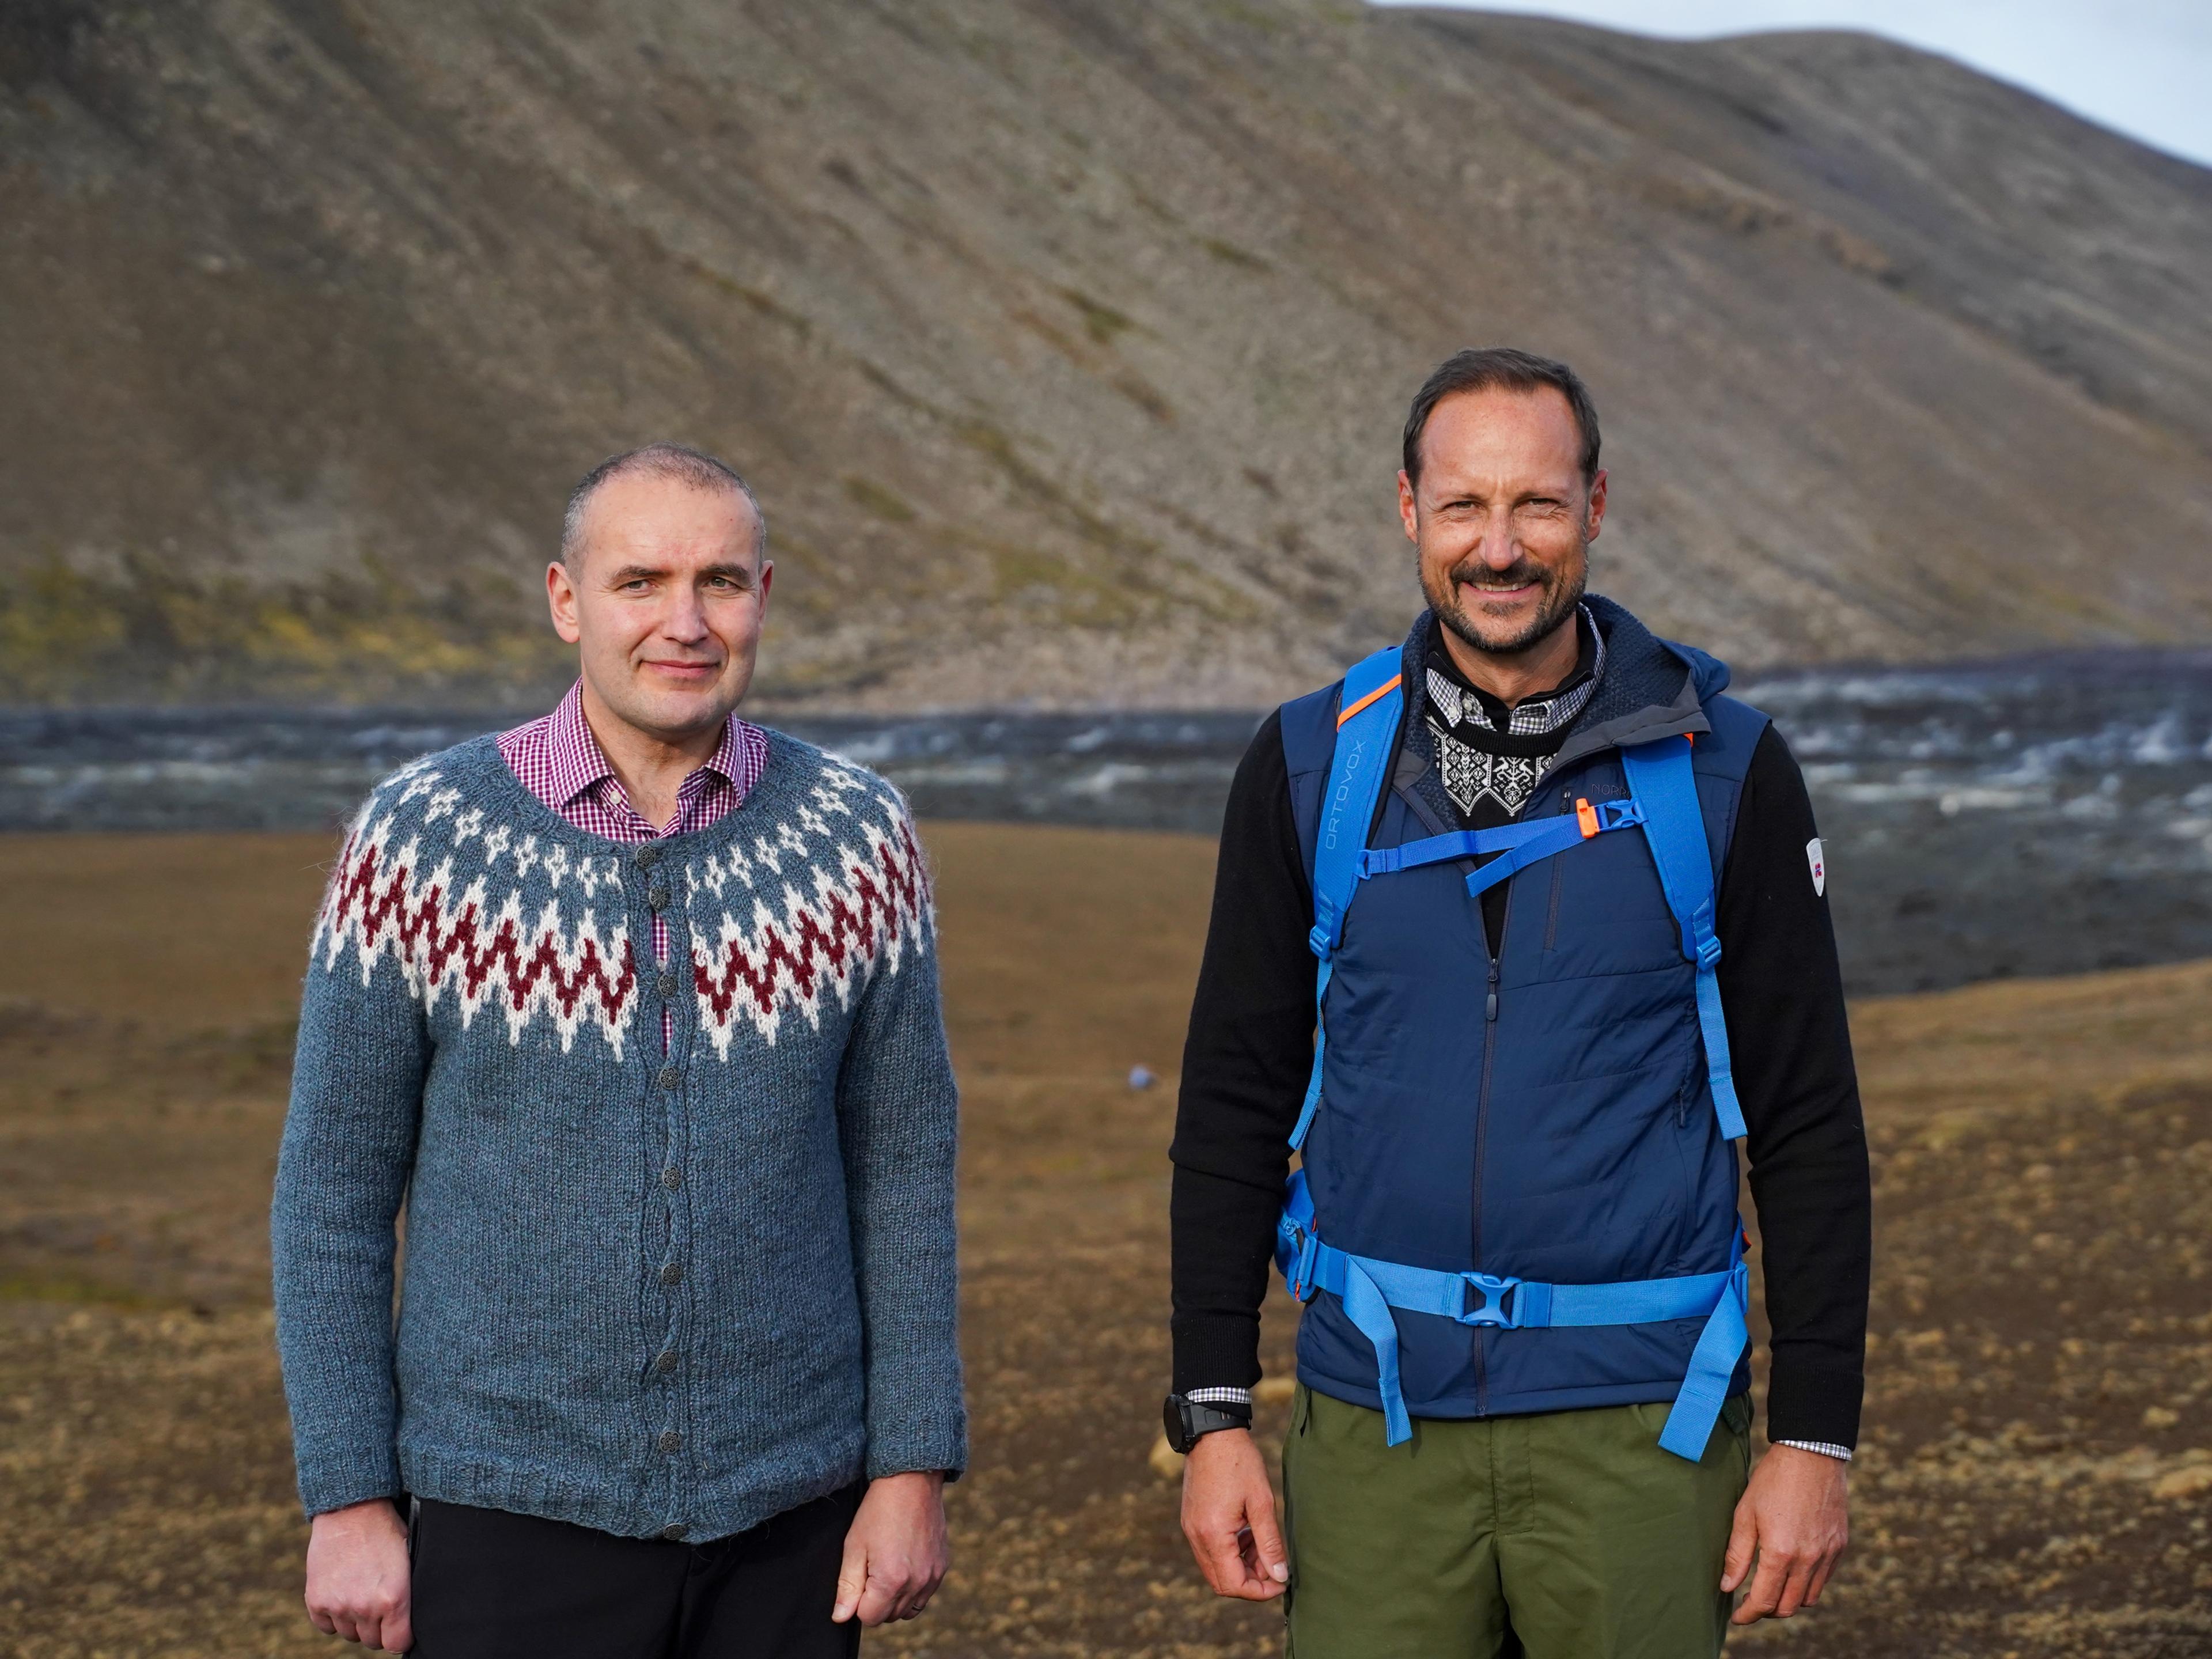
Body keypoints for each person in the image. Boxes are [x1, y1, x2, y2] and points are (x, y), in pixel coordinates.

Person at [1165, 351, 1870, 1655]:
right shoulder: (1308, 766)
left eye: (1538, 505)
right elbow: (1232, 1105)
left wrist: (1815, 1435)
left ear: (1596, 506)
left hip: (1643, 1430)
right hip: (1377, 1431)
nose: (1501, 548)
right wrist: (1213, 1419)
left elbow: (1810, 1119)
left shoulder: (1731, 775)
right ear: (1408, 509)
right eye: (1465, 507)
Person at [272, 442, 964, 1657]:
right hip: (504, 1516)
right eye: (639, 581)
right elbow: (331, 1192)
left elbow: (904, 1171)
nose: (684, 622)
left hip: (793, 1520)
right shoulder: (419, 841)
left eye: (723, 583)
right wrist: (347, 1494)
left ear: (766, 597)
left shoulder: (860, 838)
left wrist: (911, 1465)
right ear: (565, 599)